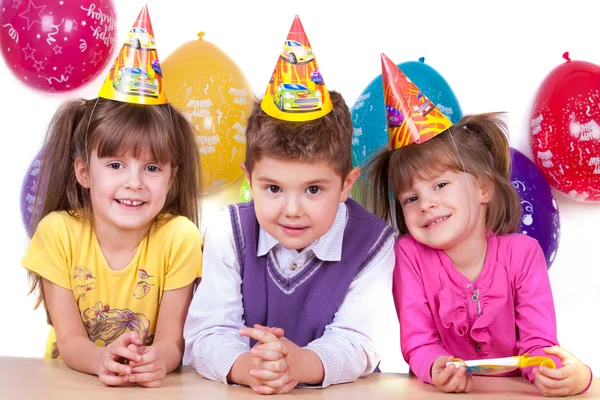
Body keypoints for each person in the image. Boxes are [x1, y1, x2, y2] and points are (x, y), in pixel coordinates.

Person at [183, 16, 396, 395]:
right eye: (273, 189)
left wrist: (299, 364)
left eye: (313, 190)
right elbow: (208, 331)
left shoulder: (374, 243)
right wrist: (250, 367)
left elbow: (359, 340)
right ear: (249, 180)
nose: (292, 209)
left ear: (347, 184)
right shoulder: (228, 232)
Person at [365, 54, 592, 396]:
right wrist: (435, 367)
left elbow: (539, 344)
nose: (425, 203)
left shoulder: (523, 255)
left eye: (440, 185)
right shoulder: (409, 254)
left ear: (483, 188)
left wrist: (572, 375)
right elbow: (418, 340)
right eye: (410, 198)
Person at [21, 6, 202, 388]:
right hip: (71, 385)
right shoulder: (58, 233)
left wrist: (159, 361)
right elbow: (69, 339)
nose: (134, 182)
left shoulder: (179, 238)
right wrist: (102, 358)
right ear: (84, 172)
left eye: (152, 168)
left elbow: (172, 339)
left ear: (171, 179)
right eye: (116, 165)